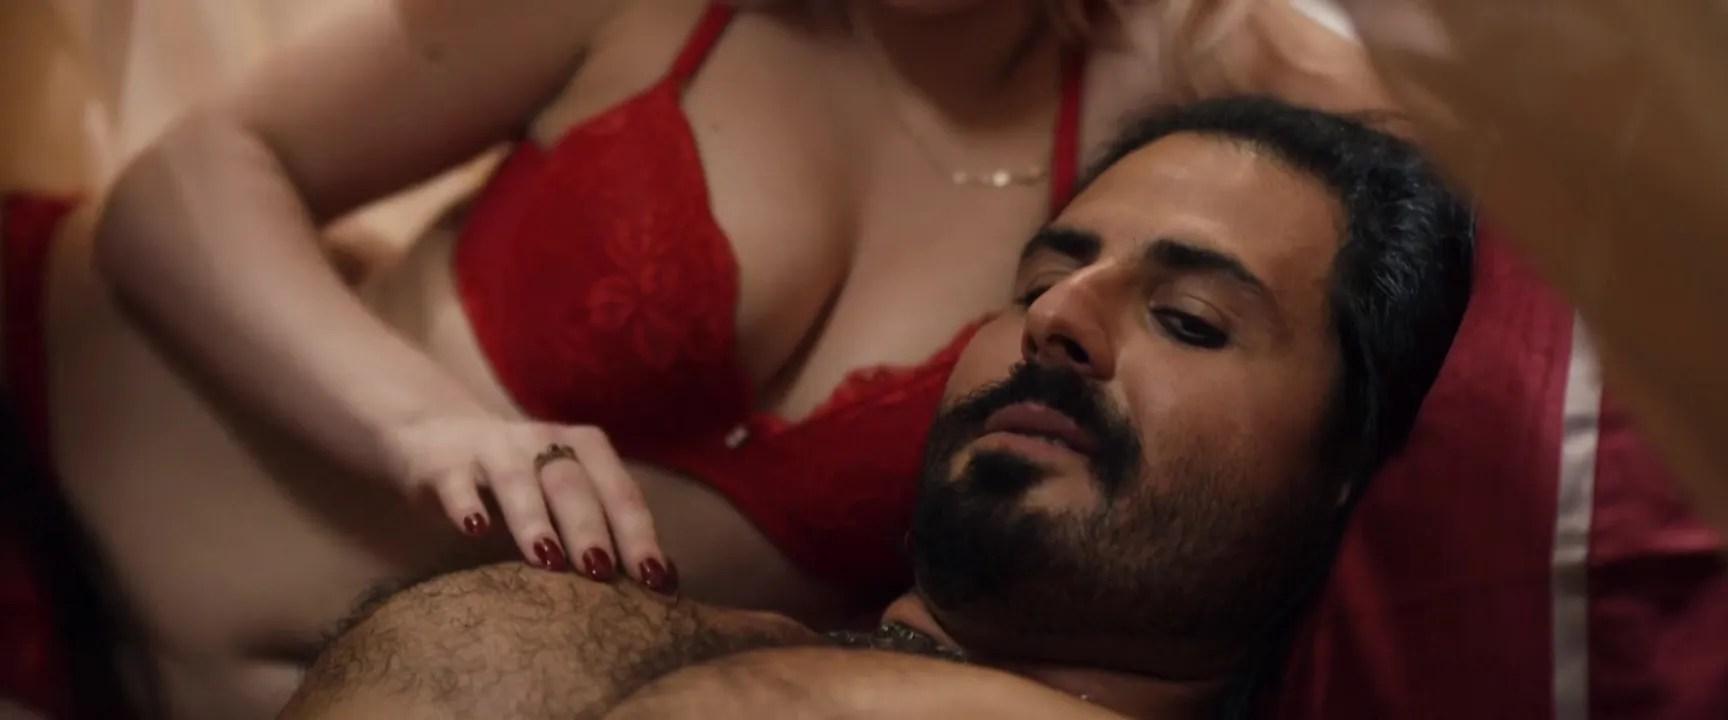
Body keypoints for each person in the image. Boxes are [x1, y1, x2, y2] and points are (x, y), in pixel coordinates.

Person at [6, 0, 1390, 715]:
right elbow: (186, 180)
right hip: (41, 452)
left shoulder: (1167, 118)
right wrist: (424, 423)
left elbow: (1423, 236)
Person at [278, 96, 1476, 720]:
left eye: (1192, 320)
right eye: (1036, 284)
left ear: (1347, 468)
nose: (1057, 320)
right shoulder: (737, 642)